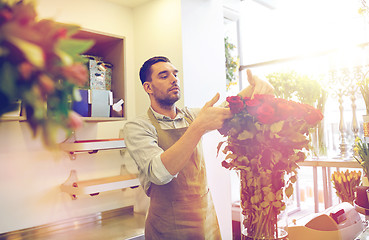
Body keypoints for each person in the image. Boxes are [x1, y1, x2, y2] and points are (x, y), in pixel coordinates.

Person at [123, 56, 274, 240]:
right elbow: (159, 173)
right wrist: (199, 126)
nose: (174, 79)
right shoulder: (138, 127)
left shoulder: (189, 116)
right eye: (164, 76)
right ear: (148, 87)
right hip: (167, 226)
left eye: (175, 74)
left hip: (205, 219)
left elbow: (226, 109)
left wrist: (254, 87)